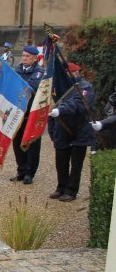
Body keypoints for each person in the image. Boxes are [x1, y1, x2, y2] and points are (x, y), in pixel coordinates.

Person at [47, 63, 96, 202]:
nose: (69, 76)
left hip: (80, 129)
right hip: (62, 128)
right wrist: (52, 131)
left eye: (72, 73)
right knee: (60, 160)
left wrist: (61, 109)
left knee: (76, 163)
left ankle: (71, 190)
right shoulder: (60, 87)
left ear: (77, 73)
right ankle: (61, 187)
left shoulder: (85, 87)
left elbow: (78, 103)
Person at [10, 45, 44, 184]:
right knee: (17, 143)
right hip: (17, 113)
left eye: (27, 56)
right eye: (23, 55)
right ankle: (21, 170)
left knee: (31, 144)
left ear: (35, 58)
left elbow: (31, 87)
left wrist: (14, 84)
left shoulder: (39, 72)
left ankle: (30, 172)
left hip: (32, 114)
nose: (24, 58)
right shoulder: (17, 70)